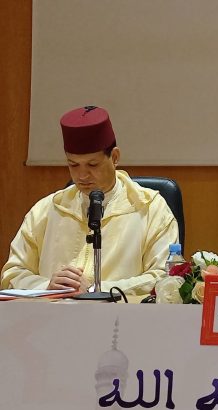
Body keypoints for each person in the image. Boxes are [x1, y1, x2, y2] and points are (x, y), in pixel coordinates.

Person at [1, 106, 179, 295]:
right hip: (55, 311)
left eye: (92, 165)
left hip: (119, 312)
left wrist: (97, 289)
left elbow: (165, 276)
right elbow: (12, 273)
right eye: (73, 165)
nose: (82, 175)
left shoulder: (151, 209)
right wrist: (46, 286)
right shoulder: (46, 210)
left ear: (115, 157)